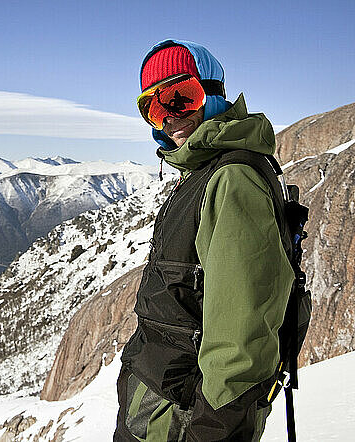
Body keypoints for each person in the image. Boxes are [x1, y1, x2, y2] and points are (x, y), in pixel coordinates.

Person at [114, 39, 295, 441]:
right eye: (153, 108)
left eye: (181, 97)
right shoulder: (203, 171)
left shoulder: (232, 180)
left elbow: (242, 345)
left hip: (179, 421)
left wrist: (212, 433)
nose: (169, 118)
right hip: (159, 409)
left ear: (213, 93)